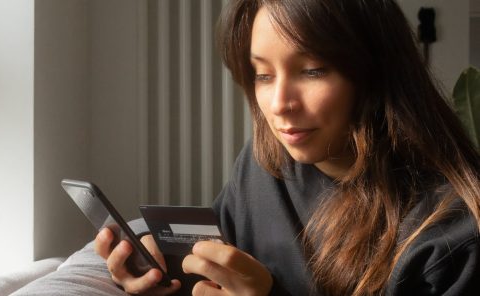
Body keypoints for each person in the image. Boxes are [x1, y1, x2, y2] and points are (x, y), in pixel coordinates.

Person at [94, 0, 480, 295]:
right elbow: (216, 259)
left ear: (374, 73)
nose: (279, 103)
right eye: (262, 75)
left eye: (312, 70)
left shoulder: (453, 238)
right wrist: (165, 273)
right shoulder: (265, 165)